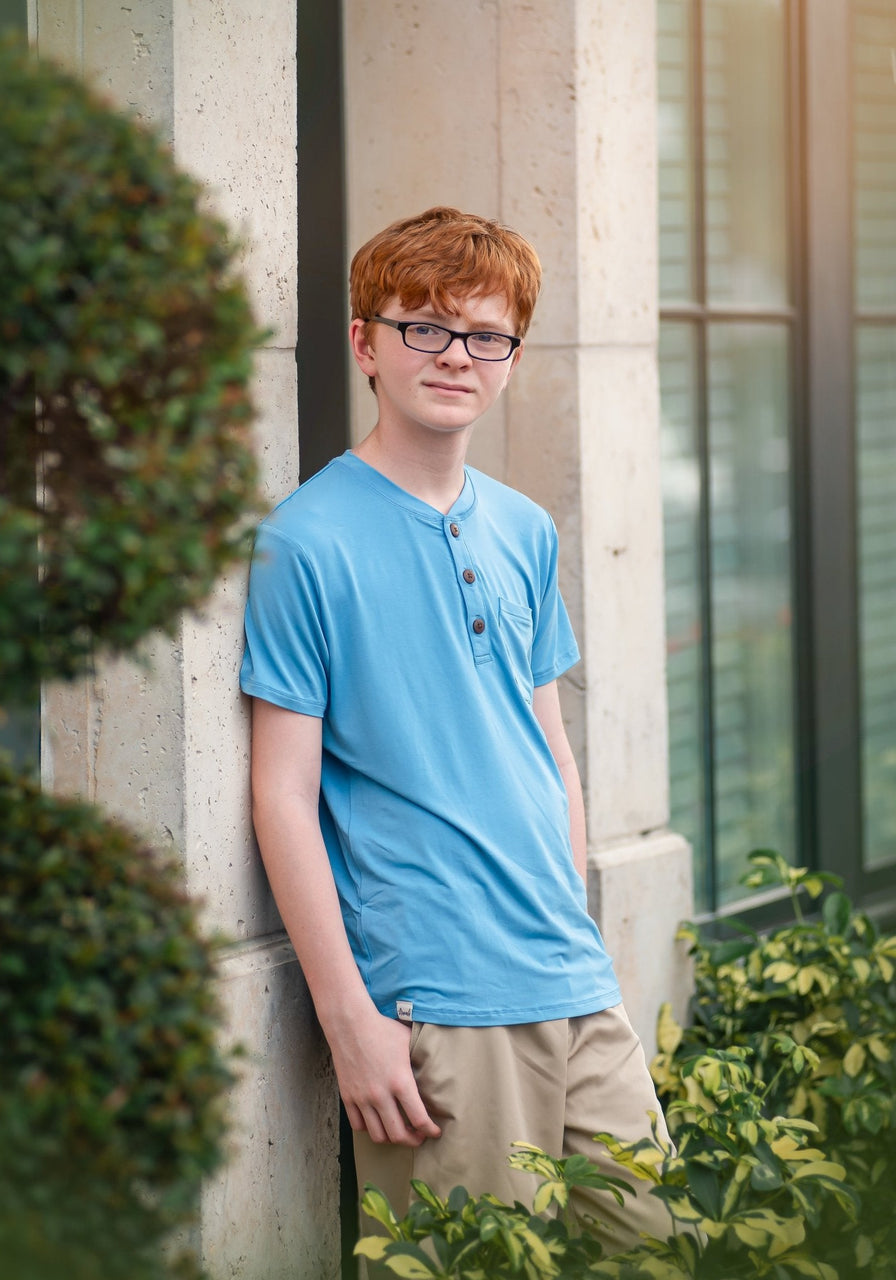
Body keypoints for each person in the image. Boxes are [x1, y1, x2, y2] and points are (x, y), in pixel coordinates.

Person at [240, 206, 673, 1254]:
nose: (454, 356)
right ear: (364, 344)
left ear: (512, 358)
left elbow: (549, 752)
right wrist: (351, 1022)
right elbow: (282, 794)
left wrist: (573, 922)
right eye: (422, 327)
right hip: (439, 998)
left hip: (571, 977)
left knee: (659, 1246)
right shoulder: (303, 543)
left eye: (485, 335)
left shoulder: (524, 526)